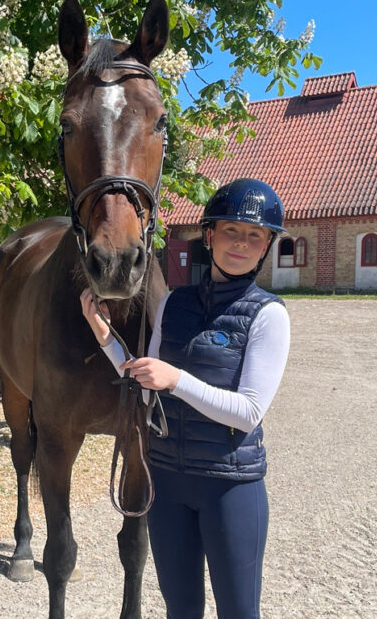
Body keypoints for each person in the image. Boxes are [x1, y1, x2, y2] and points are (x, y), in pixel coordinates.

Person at [80, 178, 290, 619]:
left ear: (266, 246)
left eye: (255, 235)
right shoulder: (174, 304)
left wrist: (176, 379)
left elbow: (248, 412)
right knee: (181, 609)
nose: (241, 243)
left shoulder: (268, 315)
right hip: (168, 481)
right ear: (209, 236)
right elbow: (146, 383)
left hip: (229, 485)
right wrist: (105, 337)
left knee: (239, 612)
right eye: (231, 230)